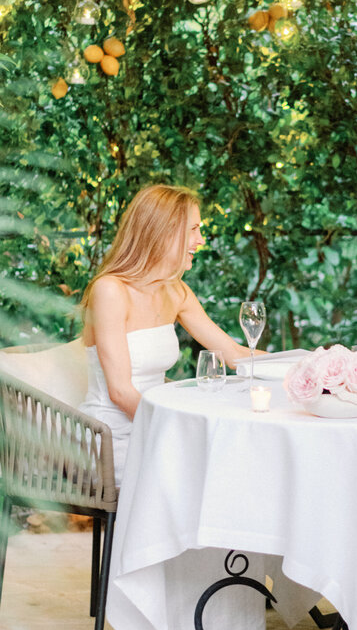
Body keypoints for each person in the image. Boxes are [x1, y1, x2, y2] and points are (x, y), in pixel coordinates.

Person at [79, 183, 256, 485]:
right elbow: (120, 392)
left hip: (156, 424)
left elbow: (237, 356)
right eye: (193, 230)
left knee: (237, 465)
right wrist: (176, 429)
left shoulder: (176, 292)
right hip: (111, 437)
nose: (200, 240)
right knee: (212, 473)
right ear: (162, 231)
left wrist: (312, 363)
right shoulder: (110, 291)